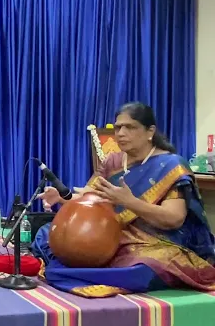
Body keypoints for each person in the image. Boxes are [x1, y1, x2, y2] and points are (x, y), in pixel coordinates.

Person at [34, 102, 215, 298]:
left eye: (130, 127)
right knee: (46, 234)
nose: (120, 133)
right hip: (113, 236)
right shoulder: (112, 161)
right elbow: (90, 198)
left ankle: (70, 271)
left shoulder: (172, 166)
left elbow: (174, 219)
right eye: (118, 127)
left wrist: (130, 202)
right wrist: (63, 197)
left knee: (145, 268)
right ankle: (80, 270)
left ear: (150, 131)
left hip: (153, 242)